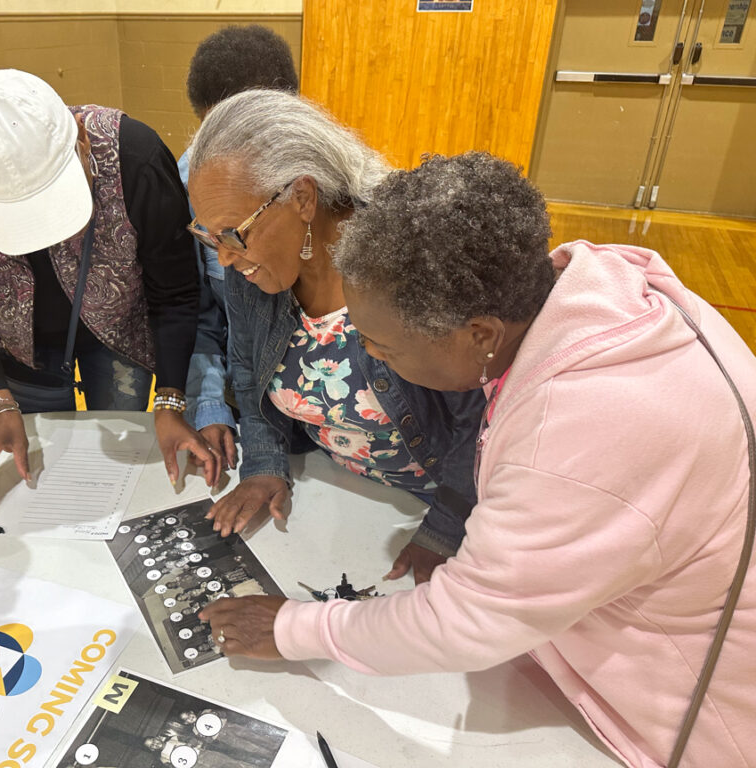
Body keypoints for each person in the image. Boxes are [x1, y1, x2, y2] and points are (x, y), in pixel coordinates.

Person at [201, 153, 756, 768]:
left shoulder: (576, 434)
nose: (375, 364)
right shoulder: (598, 284)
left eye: (383, 347)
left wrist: (291, 628)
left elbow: (465, 622)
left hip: (693, 717)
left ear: (480, 335)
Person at [187, 90, 483, 579]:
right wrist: (263, 461)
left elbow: (480, 416)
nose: (224, 257)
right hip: (342, 498)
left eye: (233, 233)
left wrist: (447, 526)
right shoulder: (253, 271)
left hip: (437, 506)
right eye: (208, 236)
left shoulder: (411, 259)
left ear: (303, 198)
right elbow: (247, 369)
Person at [0, 69, 216, 499]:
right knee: (40, 477)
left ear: (80, 136)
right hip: (20, 350)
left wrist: (169, 400)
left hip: (119, 336)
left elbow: (176, 293)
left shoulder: (135, 156)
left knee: (116, 472)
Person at [179, 25, 300, 469]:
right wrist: (209, 404)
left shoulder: (329, 189)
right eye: (216, 132)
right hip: (249, 413)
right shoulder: (193, 181)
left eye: (248, 133)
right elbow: (200, 313)